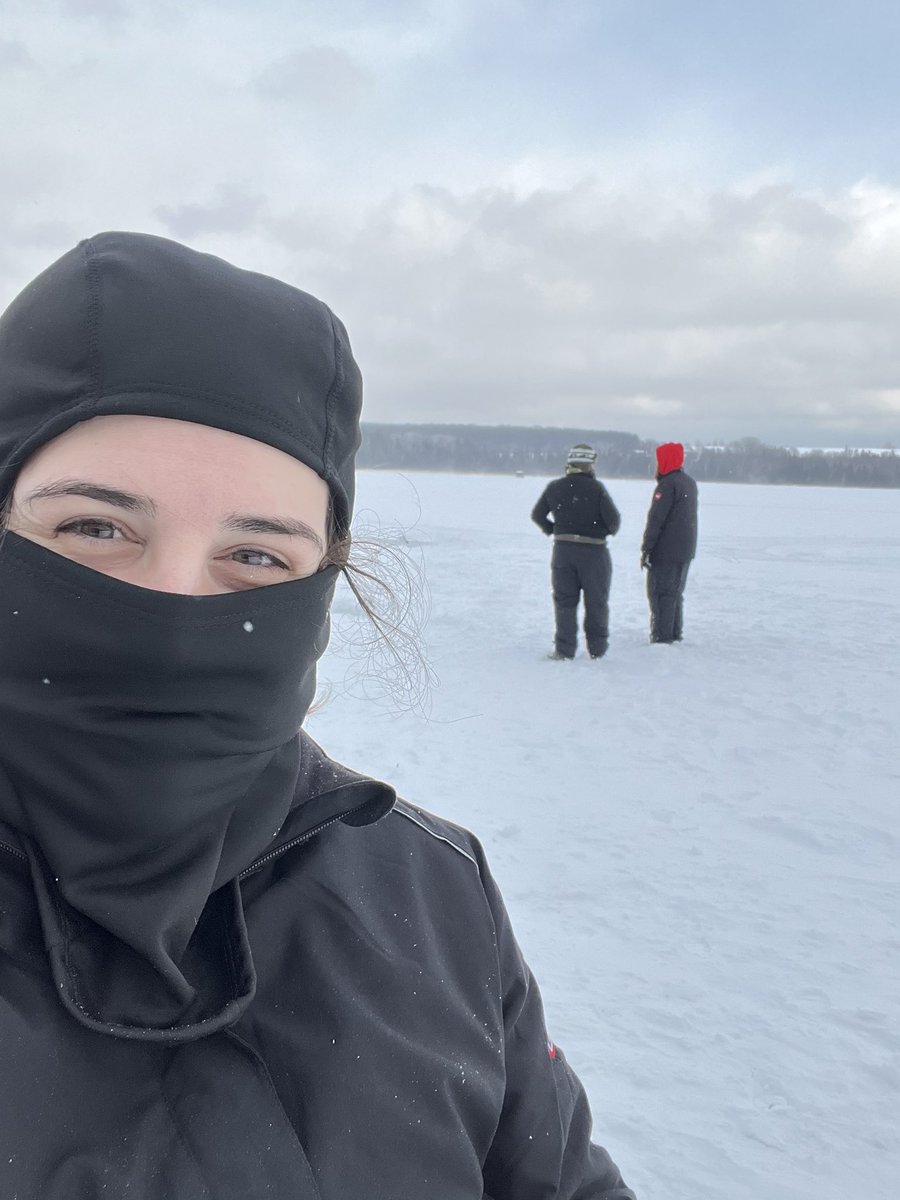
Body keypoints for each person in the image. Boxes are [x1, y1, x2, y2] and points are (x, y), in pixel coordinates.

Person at [0, 233, 636, 1200]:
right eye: (95, 528)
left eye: (256, 556)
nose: (178, 607)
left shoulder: (431, 889)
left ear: (323, 578)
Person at [531, 444, 621, 660]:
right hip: (594, 554)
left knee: (564, 602)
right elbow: (614, 523)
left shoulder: (554, 487)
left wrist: (554, 530)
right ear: (589, 465)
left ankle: (564, 650)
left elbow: (537, 515)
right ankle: (598, 650)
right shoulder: (597, 489)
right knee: (596, 601)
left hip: (563, 552)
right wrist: (598, 531)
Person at [640, 442, 698, 643]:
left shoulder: (667, 485)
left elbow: (656, 519)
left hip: (666, 550)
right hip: (685, 549)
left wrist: (647, 548)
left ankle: (662, 637)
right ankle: (674, 633)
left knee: (661, 593)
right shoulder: (688, 482)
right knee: (674, 593)